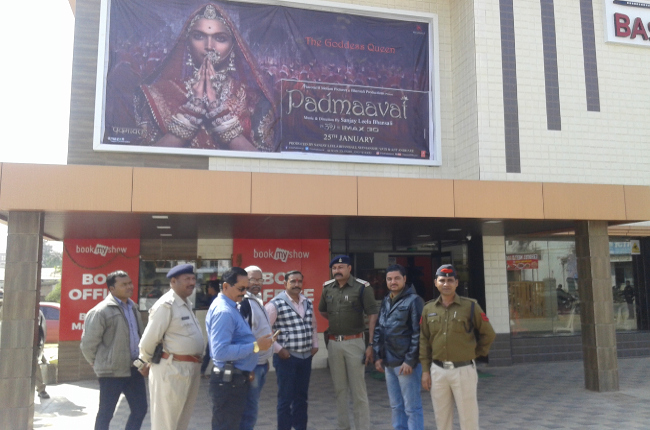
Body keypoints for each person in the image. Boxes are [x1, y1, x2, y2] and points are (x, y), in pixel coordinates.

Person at [132, 3, 277, 151]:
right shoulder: (159, 94)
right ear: (188, 43)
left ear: (233, 46)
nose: (209, 46)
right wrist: (190, 114)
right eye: (199, 36)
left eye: (220, 38)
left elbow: (265, 161)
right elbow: (145, 158)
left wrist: (220, 117)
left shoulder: (253, 99)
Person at [420, 264, 496, 430]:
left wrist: (476, 353)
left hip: (463, 370)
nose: (446, 284)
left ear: (456, 283)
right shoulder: (428, 308)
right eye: (442, 280)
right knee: (442, 418)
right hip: (438, 371)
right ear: (435, 282)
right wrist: (425, 370)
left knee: (468, 418)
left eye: (450, 280)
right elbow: (424, 340)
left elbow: (488, 333)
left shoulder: (470, 306)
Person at [206, 267, 274, 430]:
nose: (244, 293)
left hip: (235, 378)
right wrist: (256, 346)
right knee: (228, 425)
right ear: (225, 286)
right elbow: (220, 352)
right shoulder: (224, 311)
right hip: (229, 381)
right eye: (241, 288)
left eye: (246, 288)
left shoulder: (231, 306)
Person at [138, 264, 205, 430]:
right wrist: (145, 362)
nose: (192, 282)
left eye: (193, 279)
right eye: (187, 279)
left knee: (181, 421)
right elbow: (148, 341)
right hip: (172, 369)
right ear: (173, 281)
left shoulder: (185, 303)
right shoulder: (166, 305)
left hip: (189, 368)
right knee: (166, 423)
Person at [318, 255, 378, 430]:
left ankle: (362, 427)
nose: (337, 271)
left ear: (349, 268)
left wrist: (371, 344)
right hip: (334, 343)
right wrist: (340, 320)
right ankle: (343, 426)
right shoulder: (327, 288)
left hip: (355, 342)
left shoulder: (362, 287)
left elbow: (372, 314)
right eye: (334, 268)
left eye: (341, 267)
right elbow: (323, 311)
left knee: (358, 391)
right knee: (339, 390)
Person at [81, 271, 147, 430]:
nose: (129, 287)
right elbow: (88, 344)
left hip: (134, 368)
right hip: (111, 372)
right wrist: (96, 362)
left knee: (140, 410)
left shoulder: (133, 307)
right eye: (124, 284)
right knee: (106, 413)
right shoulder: (101, 311)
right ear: (111, 288)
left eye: (130, 283)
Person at [265, 270, 319, 430]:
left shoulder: (307, 302)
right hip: (286, 358)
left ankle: (300, 427)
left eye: (299, 281)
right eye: (293, 281)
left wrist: (315, 344)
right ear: (285, 283)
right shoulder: (275, 304)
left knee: (301, 398)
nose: (296, 284)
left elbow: (313, 325)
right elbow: (264, 331)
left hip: (305, 357)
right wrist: (278, 349)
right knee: (285, 399)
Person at [372, 264, 424, 430]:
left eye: (396, 278)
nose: (393, 282)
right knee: (396, 406)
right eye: (389, 279)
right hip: (389, 362)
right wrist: (377, 356)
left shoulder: (414, 301)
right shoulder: (386, 300)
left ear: (404, 279)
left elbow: (419, 333)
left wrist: (410, 360)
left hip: (406, 364)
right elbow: (379, 329)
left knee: (412, 407)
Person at [238, 266, 273, 430]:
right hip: (251, 365)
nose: (257, 283)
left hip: (260, 364)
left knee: (251, 408)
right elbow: (242, 336)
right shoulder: (244, 303)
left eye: (260, 280)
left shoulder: (256, 301)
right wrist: (249, 366)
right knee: (249, 412)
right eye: (253, 279)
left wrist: (265, 360)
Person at [201, 280, 221, 377]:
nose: (208, 289)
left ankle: (203, 371)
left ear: (213, 288)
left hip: (214, 330)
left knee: (210, 351)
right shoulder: (215, 298)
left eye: (209, 287)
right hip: (214, 329)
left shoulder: (215, 299)